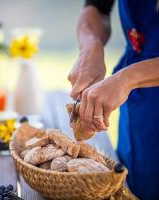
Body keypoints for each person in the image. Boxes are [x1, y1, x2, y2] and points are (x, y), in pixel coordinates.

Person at [68, 0, 159, 199]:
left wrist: (129, 77)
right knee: (133, 182)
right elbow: (97, 8)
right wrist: (90, 46)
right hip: (136, 101)